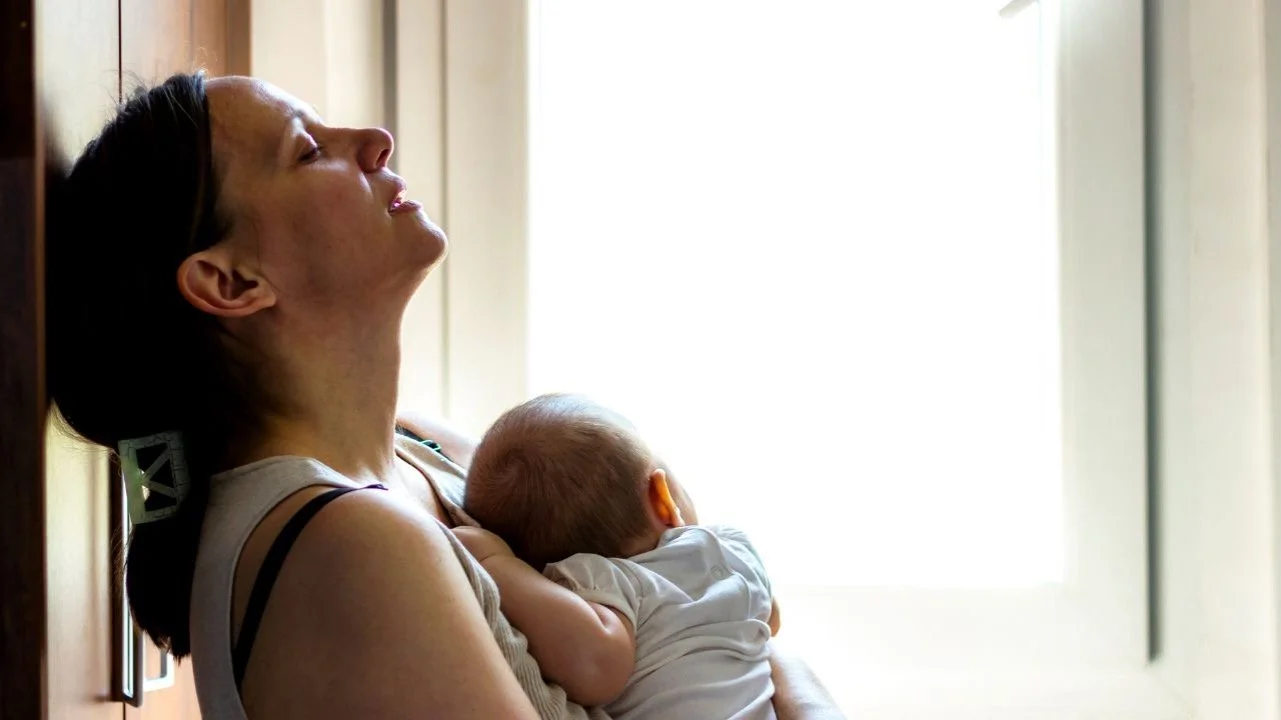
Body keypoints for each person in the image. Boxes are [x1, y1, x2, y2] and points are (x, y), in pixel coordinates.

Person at [44, 71, 844, 719]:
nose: (372, 139)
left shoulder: (424, 451)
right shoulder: (347, 544)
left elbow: (694, 603)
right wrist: (802, 691)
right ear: (231, 282)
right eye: (308, 149)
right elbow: (737, 633)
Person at [458, 393, 779, 719]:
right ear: (663, 498)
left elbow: (595, 669)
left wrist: (495, 563)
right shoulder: (730, 547)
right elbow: (770, 620)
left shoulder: (605, 585)